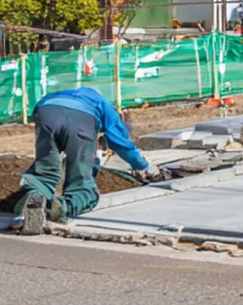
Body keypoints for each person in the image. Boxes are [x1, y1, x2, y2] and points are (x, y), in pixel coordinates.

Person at [14, 86, 160, 234]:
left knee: (44, 174)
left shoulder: (59, 94)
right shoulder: (101, 102)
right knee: (82, 185)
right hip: (81, 120)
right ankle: (62, 207)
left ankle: (34, 197)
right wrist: (143, 165)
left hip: (46, 113)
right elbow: (119, 142)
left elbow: (44, 113)